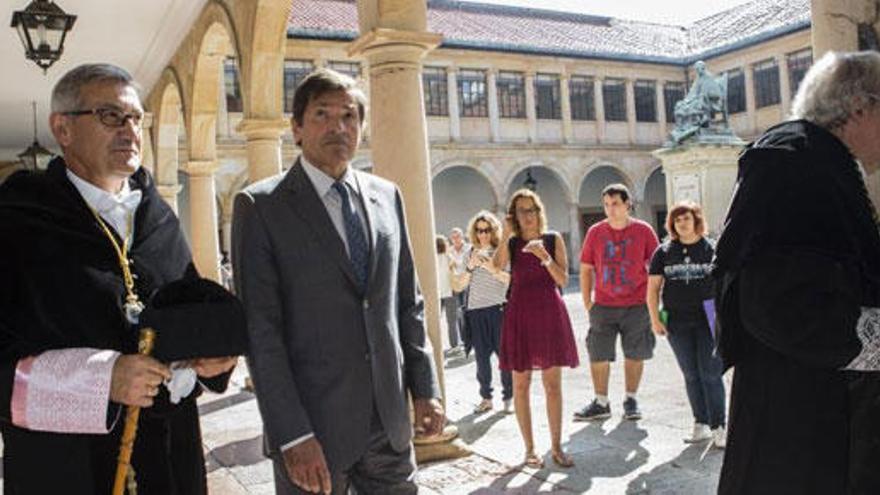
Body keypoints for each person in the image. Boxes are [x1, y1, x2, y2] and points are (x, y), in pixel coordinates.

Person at [0, 63, 241, 494]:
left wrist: (211, 362)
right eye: (111, 116)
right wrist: (99, 380)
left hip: (168, 460)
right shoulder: (17, 219)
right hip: (67, 468)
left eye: (136, 118)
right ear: (63, 128)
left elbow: (183, 315)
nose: (130, 131)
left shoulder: (159, 218)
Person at [232, 68, 445, 495]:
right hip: (313, 430)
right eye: (322, 115)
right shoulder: (261, 207)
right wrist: (292, 434)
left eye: (349, 116)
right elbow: (262, 332)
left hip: (389, 424)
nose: (338, 127)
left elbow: (408, 303)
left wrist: (425, 388)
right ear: (296, 128)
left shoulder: (388, 196)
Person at [714, 51, 880, 494]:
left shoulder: (822, 161)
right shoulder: (794, 159)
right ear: (861, 107)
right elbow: (777, 303)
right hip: (798, 425)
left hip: (816, 413)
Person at [496, 189, 579, 469]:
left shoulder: (553, 239)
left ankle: (556, 447)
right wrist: (507, 233)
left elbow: (563, 279)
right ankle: (529, 449)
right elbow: (495, 267)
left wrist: (544, 256)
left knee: (552, 385)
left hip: (549, 313)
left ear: (539, 211)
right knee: (521, 385)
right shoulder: (512, 243)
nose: (528, 215)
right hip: (519, 314)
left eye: (532, 209)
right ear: (514, 215)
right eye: (522, 210)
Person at [575, 183, 659, 422]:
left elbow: (655, 269)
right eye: (606, 204)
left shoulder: (643, 231)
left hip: (636, 304)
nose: (610, 209)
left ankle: (631, 399)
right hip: (603, 305)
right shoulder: (595, 232)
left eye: (615, 204)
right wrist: (587, 301)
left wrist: (654, 303)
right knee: (598, 354)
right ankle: (601, 402)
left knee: (635, 353)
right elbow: (586, 268)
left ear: (627, 205)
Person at [646, 202, 726, 448]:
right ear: (672, 224)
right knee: (691, 374)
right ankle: (700, 423)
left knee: (711, 373)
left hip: (708, 316)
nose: (682, 223)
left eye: (687, 218)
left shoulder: (712, 249)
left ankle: (719, 426)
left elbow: (724, 286)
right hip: (676, 318)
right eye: (677, 220)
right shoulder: (663, 252)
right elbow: (653, 288)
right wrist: (655, 318)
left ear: (696, 221)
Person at [459, 211, 512, 414]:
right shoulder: (469, 253)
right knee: (481, 358)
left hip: (498, 309)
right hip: (475, 312)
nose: (483, 234)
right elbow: (459, 285)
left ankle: (508, 397)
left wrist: (490, 267)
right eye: (479, 230)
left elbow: (509, 280)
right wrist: (470, 267)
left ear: (493, 230)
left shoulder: (501, 251)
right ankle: (486, 398)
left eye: (487, 230)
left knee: (504, 357)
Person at [447, 227, 471, 350]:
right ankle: (463, 339)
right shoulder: (449, 251)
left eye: (458, 237)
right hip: (455, 285)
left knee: (467, 311)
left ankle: (469, 338)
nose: (455, 239)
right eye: (453, 237)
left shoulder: (469, 248)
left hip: (467, 283)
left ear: (462, 237)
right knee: (458, 312)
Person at [436, 235, 460, 355]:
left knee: (436, 321)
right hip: (449, 292)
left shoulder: (431, 259)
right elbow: (456, 269)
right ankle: (454, 344)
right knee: (452, 321)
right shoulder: (448, 257)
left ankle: (437, 346)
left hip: (436, 294)